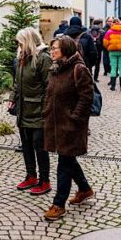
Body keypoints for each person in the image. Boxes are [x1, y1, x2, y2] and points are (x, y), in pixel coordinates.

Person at [42, 35, 95, 221]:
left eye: (55, 48)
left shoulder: (79, 69)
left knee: (64, 163)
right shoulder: (56, 68)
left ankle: (58, 204)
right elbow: (50, 94)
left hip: (70, 125)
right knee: (68, 159)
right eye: (52, 48)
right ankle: (85, 189)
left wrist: (75, 118)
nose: (52, 51)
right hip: (55, 123)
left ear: (65, 49)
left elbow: (87, 96)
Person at [13, 28, 52, 195]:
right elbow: (18, 83)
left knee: (39, 146)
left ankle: (45, 180)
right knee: (26, 145)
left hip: (38, 111)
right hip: (23, 110)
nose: (18, 45)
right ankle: (31, 176)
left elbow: (49, 87)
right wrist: (13, 98)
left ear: (28, 41)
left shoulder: (43, 58)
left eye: (20, 42)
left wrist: (45, 109)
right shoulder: (22, 58)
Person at [103, 19, 121, 91]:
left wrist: (109, 47)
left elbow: (105, 42)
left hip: (112, 51)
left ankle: (113, 86)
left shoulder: (109, 32)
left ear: (113, 24)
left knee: (113, 67)